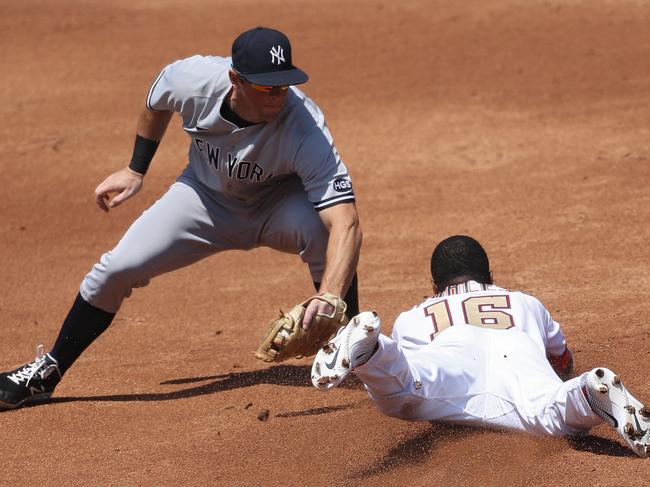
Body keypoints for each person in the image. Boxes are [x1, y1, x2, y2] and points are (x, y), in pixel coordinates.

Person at [0, 27, 362, 410]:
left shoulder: (305, 125)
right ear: (235, 79)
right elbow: (156, 100)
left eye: (284, 86)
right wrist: (135, 169)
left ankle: (353, 352)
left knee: (325, 233)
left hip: (277, 207)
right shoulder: (192, 79)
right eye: (265, 87)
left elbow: (347, 221)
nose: (278, 96)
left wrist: (332, 296)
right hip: (202, 200)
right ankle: (47, 373)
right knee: (114, 270)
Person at [311, 235, 650, 457]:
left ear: (434, 285)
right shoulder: (524, 302)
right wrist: (559, 372)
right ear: (490, 275)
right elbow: (561, 359)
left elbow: (414, 374)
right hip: (518, 352)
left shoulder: (414, 317)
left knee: (407, 387)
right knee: (550, 411)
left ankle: (374, 349)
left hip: (450, 350)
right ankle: (587, 391)